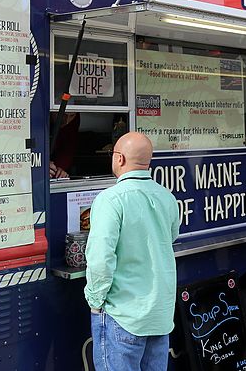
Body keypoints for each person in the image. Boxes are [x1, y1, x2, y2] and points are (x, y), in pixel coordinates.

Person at [84, 132, 180, 370]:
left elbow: (100, 258)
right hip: (160, 316)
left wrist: (95, 302)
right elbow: (171, 237)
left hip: (122, 315)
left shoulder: (110, 200)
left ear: (120, 159)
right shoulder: (167, 197)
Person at [49, 112, 79, 178]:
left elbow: (68, 148)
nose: (67, 121)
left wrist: (59, 170)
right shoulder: (38, 118)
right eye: (63, 115)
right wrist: (42, 164)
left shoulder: (73, 121)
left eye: (72, 115)